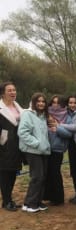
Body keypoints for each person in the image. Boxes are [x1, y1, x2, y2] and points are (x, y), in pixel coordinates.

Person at [18, 92, 51, 213]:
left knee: (42, 177)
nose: (41, 103)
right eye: (39, 101)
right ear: (34, 102)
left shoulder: (43, 116)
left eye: (43, 101)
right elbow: (23, 132)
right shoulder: (28, 114)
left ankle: (35, 201)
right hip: (33, 151)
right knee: (37, 177)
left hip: (43, 151)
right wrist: (37, 143)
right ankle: (31, 203)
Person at [57, 94, 76, 203]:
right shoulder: (67, 112)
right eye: (70, 103)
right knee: (73, 170)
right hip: (71, 143)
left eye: (75, 102)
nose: (73, 105)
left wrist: (59, 125)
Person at [0, 81, 24, 211]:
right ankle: (6, 201)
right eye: (9, 90)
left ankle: (9, 199)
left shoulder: (17, 106)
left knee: (13, 171)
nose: (13, 92)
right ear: (3, 93)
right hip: (4, 145)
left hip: (17, 144)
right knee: (5, 173)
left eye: (14, 90)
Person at [44, 95, 72, 205]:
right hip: (45, 147)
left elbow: (69, 134)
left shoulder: (67, 116)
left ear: (63, 104)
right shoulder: (46, 114)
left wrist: (58, 127)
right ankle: (49, 196)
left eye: (58, 103)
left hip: (58, 149)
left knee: (55, 172)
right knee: (47, 173)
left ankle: (58, 198)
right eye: (53, 102)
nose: (55, 105)